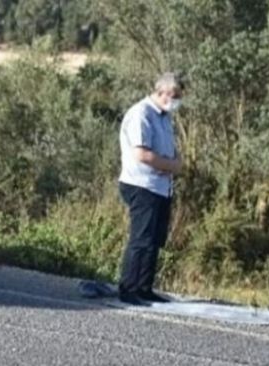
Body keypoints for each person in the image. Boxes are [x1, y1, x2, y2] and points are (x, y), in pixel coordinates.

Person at [117, 72, 185, 305]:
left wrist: (175, 163)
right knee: (141, 239)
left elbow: (167, 149)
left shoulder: (164, 118)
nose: (176, 101)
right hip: (141, 184)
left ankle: (144, 287)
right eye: (174, 96)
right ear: (161, 92)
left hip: (160, 187)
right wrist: (171, 165)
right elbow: (142, 153)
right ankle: (128, 288)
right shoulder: (141, 113)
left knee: (155, 240)